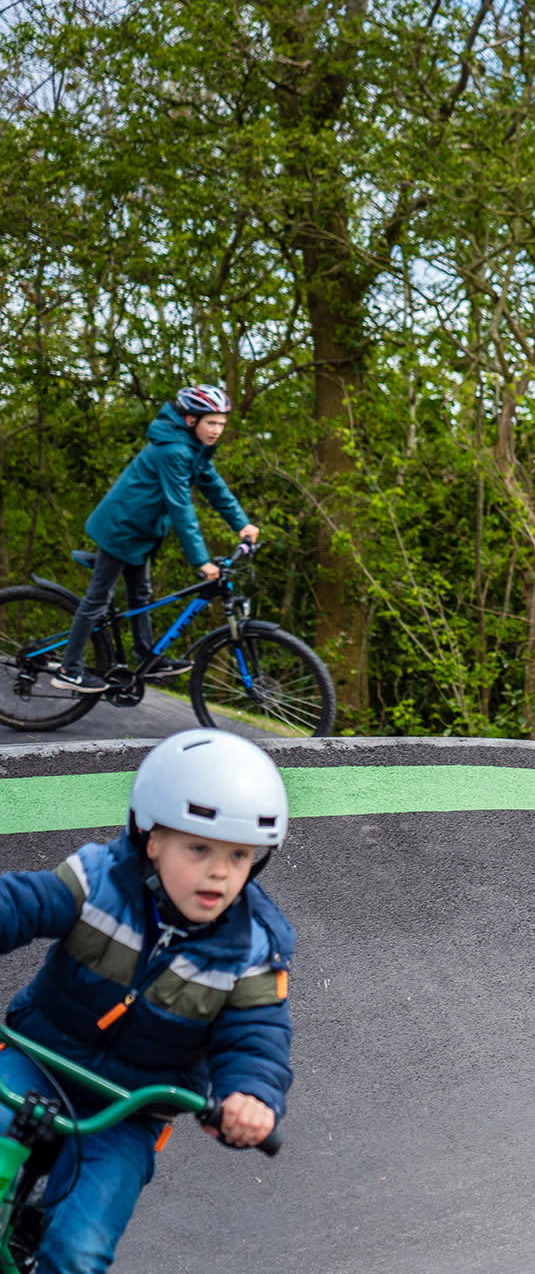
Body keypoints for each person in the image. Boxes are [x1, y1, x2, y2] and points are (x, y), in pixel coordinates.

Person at [0, 729, 294, 1272]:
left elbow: (258, 1038)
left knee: (79, 1248)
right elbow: (19, 905)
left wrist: (250, 1095)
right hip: (38, 1059)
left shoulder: (253, 949)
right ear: (150, 838)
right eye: (199, 847)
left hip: (128, 1107)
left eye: (240, 855)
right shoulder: (97, 882)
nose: (220, 870)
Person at [54, 385, 260, 694]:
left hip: (142, 532)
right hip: (121, 529)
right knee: (97, 599)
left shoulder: (193, 448)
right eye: (211, 423)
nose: (217, 430)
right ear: (191, 420)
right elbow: (181, 507)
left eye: (221, 423)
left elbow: (213, 485)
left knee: (141, 595)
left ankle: (148, 655)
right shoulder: (174, 451)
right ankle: (69, 669)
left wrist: (241, 524)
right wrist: (201, 561)